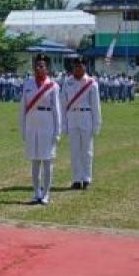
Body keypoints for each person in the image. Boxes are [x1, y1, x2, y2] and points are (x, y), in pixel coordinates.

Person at [19, 54, 63, 205]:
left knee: (47, 161)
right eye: (36, 66)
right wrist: (23, 129)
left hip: (47, 124)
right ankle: (36, 192)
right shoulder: (28, 84)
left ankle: (46, 193)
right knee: (35, 161)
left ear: (47, 68)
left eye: (42, 66)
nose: (38, 68)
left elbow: (57, 111)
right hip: (32, 125)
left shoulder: (53, 86)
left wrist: (57, 132)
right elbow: (23, 108)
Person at [60, 57, 101, 189]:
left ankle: (87, 178)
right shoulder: (68, 83)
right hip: (72, 117)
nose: (78, 68)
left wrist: (96, 124)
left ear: (85, 67)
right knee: (74, 151)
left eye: (80, 66)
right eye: (76, 66)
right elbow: (63, 104)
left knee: (87, 151)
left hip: (86, 116)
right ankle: (76, 179)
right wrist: (63, 124)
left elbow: (96, 106)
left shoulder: (91, 83)